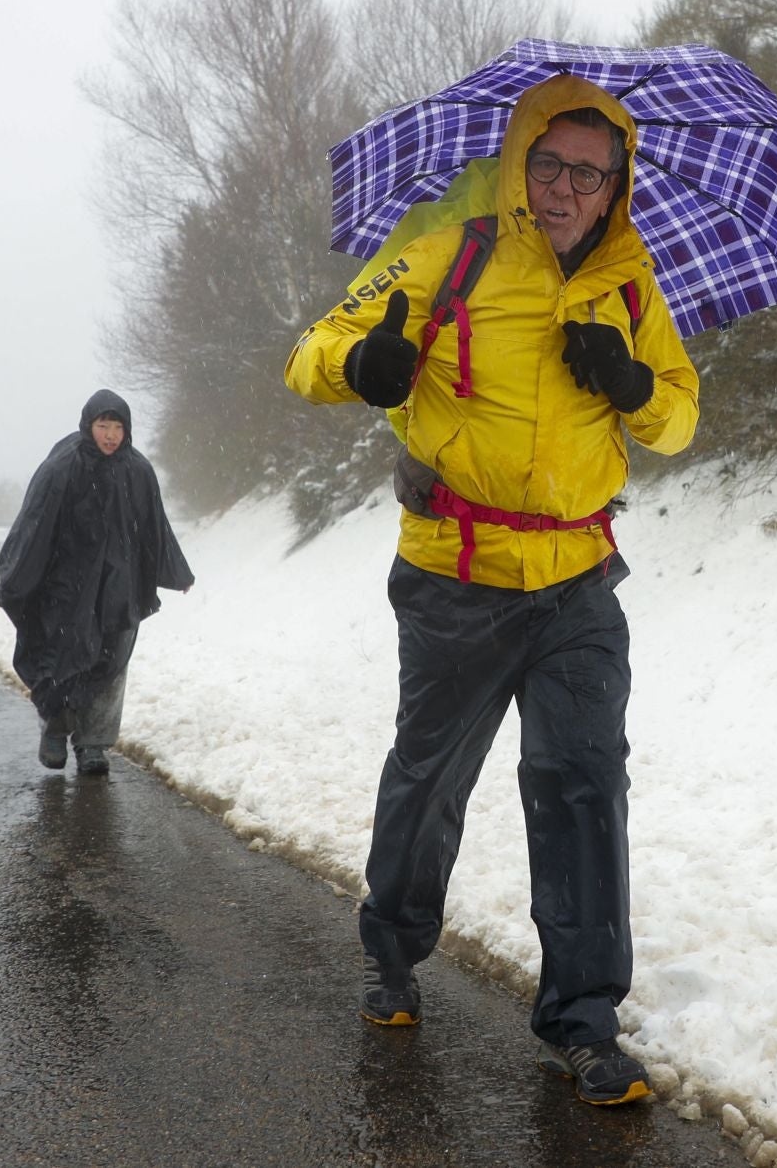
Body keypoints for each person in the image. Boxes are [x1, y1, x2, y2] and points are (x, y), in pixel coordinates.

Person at [284, 76, 699, 1105]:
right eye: (549, 164)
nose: (564, 189)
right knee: (430, 780)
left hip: (578, 584)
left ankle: (584, 1019)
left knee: (583, 784)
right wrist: (370, 364)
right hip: (454, 579)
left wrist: (633, 384)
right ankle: (392, 949)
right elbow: (310, 354)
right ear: (521, 161)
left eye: (588, 175)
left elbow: (682, 417)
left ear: (615, 186)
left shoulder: (633, 288)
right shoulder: (449, 255)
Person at [0, 389, 193, 777]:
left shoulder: (138, 471)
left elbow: (155, 527)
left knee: (110, 664)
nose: (111, 435)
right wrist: (10, 584)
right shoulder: (61, 468)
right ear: (89, 425)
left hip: (120, 585)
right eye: (103, 426)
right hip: (67, 587)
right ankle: (54, 730)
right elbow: (33, 527)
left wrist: (176, 572)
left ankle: (93, 745)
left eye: (117, 427)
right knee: (63, 661)